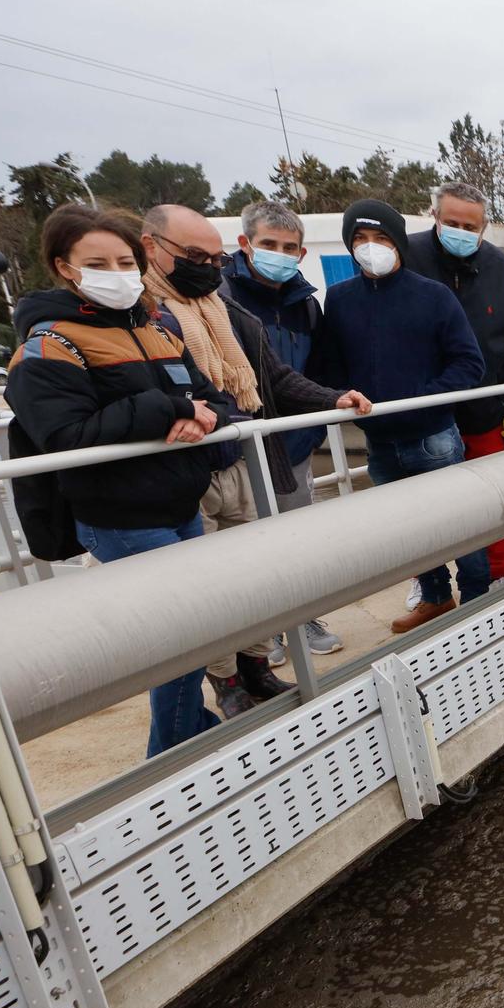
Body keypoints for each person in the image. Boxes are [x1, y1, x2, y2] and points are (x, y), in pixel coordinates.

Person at [4, 204, 236, 757]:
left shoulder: (154, 326)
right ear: (64, 266)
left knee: (192, 635)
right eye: (98, 262)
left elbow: (219, 402)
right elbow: (66, 437)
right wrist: (169, 407)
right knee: (180, 640)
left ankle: (187, 737)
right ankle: (173, 754)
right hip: (120, 517)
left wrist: (195, 412)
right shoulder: (49, 345)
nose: (118, 272)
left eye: (125, 260)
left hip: (181, 504)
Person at [140, 204, 373, 716]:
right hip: (184, 473)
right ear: (152, 247)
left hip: (241, 462)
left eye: (210, 256)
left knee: (254, 574)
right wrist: (181, 413)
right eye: (193, 255)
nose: (205, 265)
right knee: (210, 587)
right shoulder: (146, 318)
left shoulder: (230, 317)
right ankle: (224, 681)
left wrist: (332, 398)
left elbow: (275, 379)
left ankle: (255, 667)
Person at [309, 199, 490, 632]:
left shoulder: (432, 296)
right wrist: (341, 397)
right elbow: (329, 367)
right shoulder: (340, 299)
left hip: (433, 435)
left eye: (381, 239)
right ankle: (434, 596)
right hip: (379, 440)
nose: (371, 248)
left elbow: (468, 363)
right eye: (361, 240)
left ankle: (479, 599)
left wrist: (424, 399)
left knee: (457, 523)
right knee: (407, 531)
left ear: (399, 245)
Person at [221, 197, 346, 665]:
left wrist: (311, 432)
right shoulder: (219, 300)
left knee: (298, 537)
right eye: (268, 244)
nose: (280, 253)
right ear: (245, 244)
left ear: (301, 252)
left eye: (289, 246)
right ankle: (264, 632)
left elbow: (316, 371)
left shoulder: (304, 306)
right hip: (240, 446)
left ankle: (304, 617)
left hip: (292, 444)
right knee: (249, 543)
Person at [408, 182, 504, 583]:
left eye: (471, 226)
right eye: (452, 223)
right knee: (424, 507)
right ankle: (431, 588)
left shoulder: (503, 271)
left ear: (484, 226)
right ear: (434, 217)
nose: (461, 232)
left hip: (485, 411)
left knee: (495, 499)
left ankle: (500, 574)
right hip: (422, 414)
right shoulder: (408, 260)